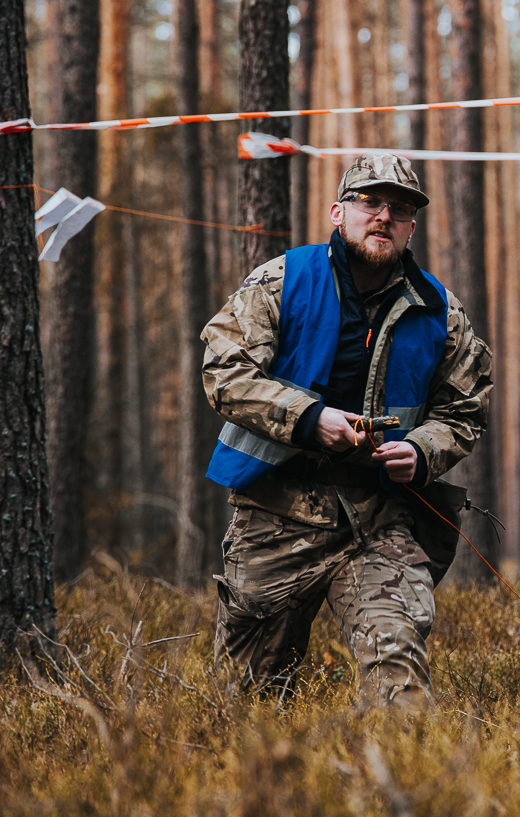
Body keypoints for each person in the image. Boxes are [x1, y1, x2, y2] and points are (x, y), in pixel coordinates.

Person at [200, 153, 493, 708]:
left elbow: (466, 408)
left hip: (379, 520)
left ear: (411, 226)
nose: (383, 215)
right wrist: (309, 419)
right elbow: (224, 372)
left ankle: (403, 792)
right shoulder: (281, 280)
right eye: (369, 202)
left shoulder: (441, 311)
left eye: (400, 208)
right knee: (246, 703)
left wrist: (421, 450)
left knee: (399, 678)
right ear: (339, 212)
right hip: (274, 515)